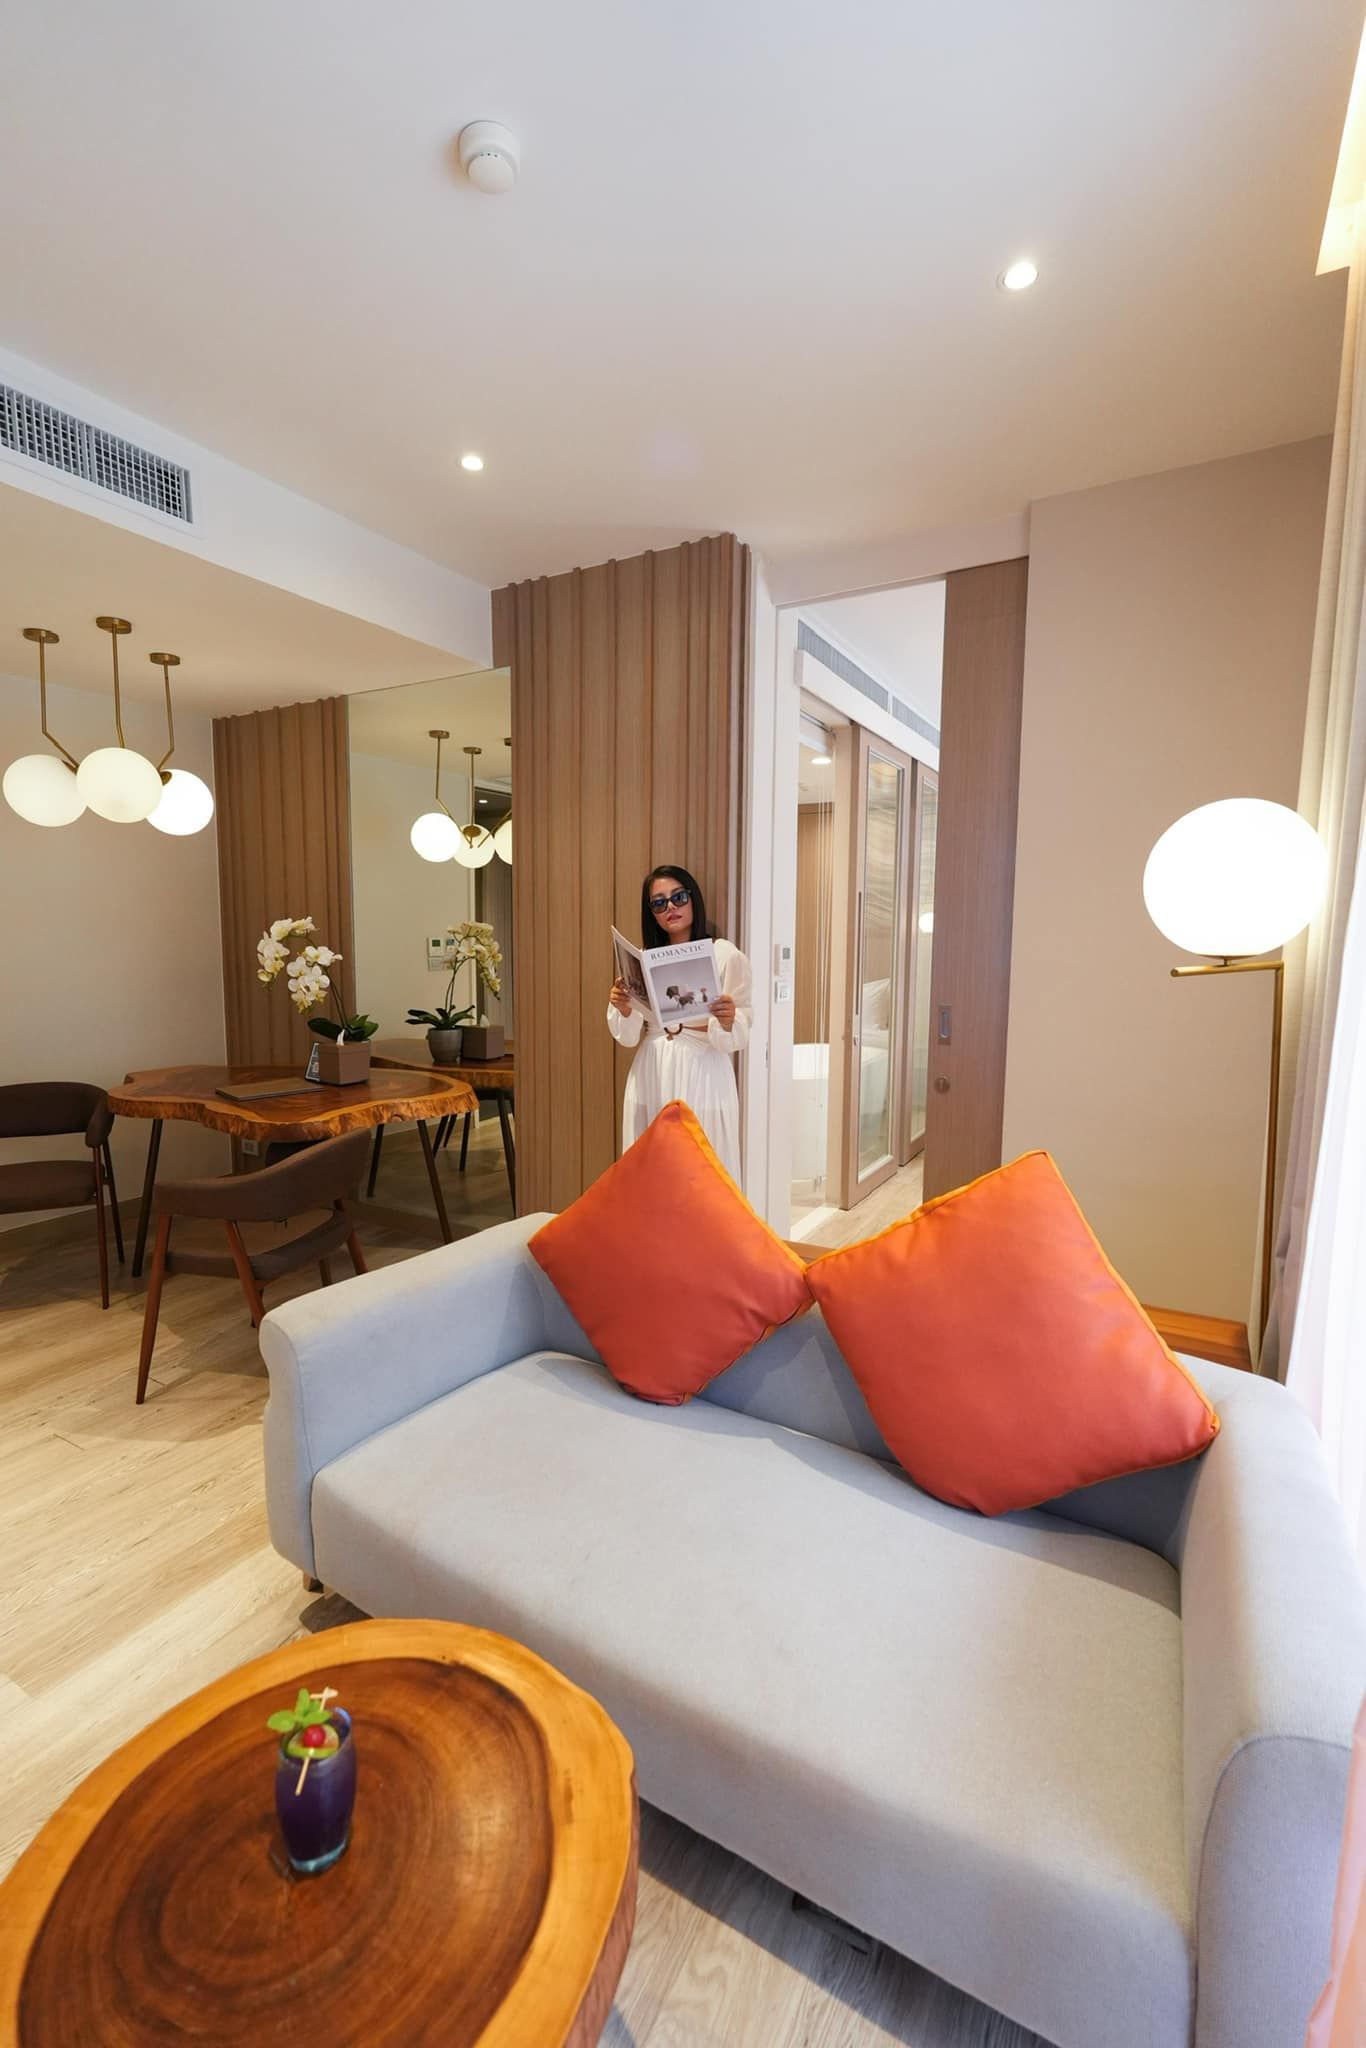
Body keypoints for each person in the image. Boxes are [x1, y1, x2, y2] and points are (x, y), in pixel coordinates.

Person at [608, 865, 752, 1180]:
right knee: (650, 1171)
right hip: (653, 1067)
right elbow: (627, 1036)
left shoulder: (724, 954)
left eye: (678, 897)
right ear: (652, 914)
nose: (670, 907)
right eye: (659, 903)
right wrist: (623, 1007)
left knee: (705, 1169)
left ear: (693, 899)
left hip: (704, 1069)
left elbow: (741, 1031)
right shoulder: (643, 958)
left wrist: (729, 1020)